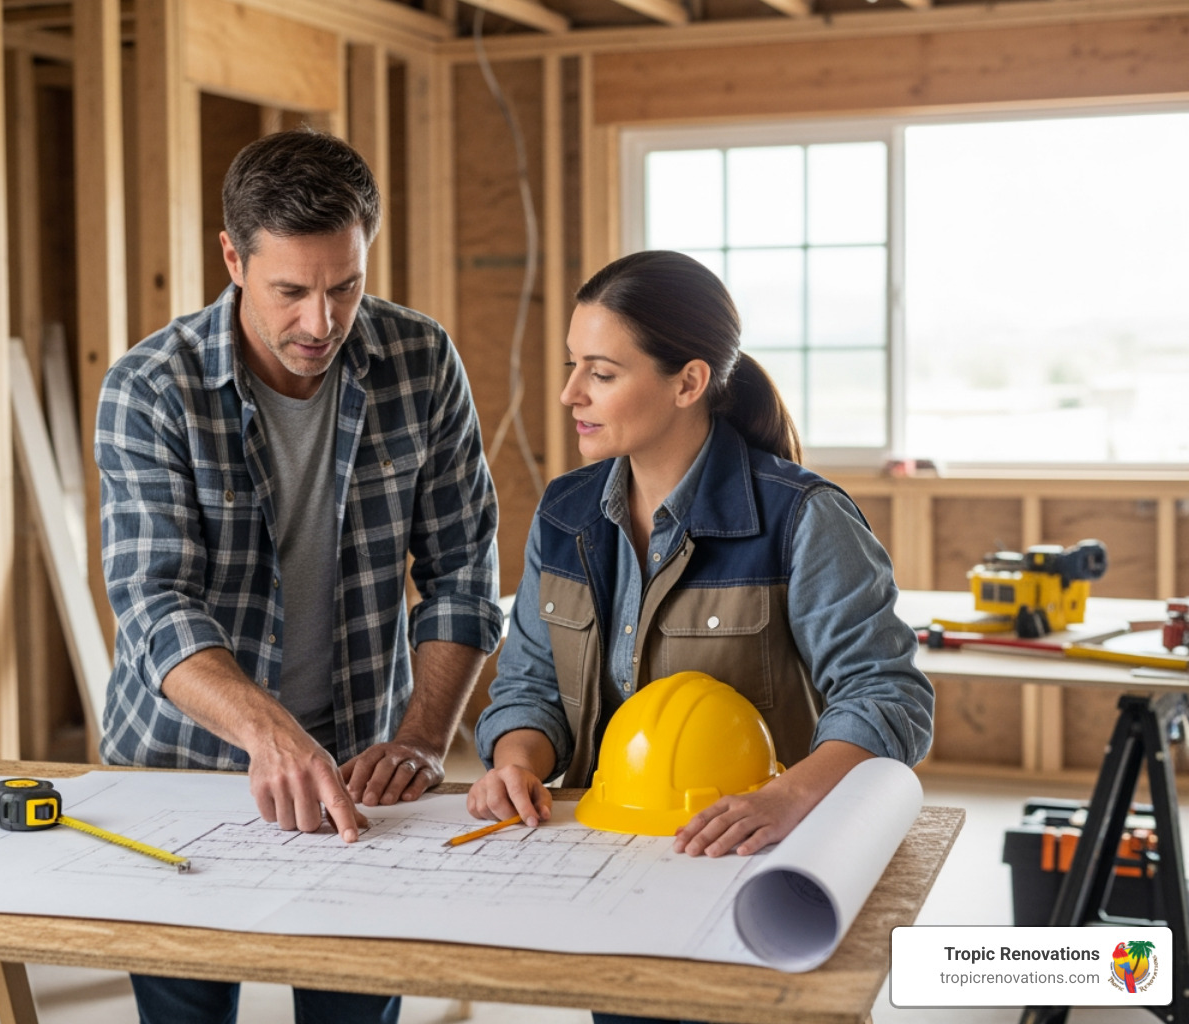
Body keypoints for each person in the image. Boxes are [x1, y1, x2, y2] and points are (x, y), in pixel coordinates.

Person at [96, 128, 503, 1024]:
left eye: (344, 286)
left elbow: (462, 574)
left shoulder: (421, 364)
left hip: (366, 765)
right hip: (180, 769)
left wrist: (426, 737)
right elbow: (153, 603)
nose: (321, 323)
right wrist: (269, 734)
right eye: (290, 291)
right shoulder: (150, 390)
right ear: (234, 258)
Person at [471, 250, 933, 1024]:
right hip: (613, 871)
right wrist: (517, 760)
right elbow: (530, 682)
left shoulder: (802, 515)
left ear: (688, 382)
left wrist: (787, 798)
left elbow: (888, 696)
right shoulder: (564, 511)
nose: (569, 394)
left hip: (754, 875)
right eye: (570, 366)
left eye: (601, 373)